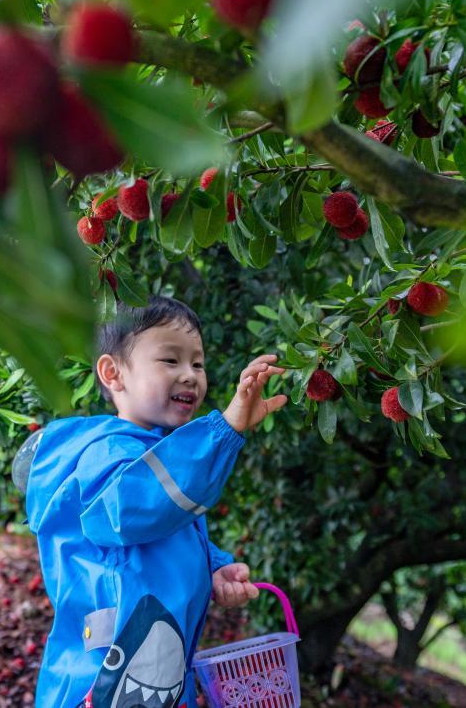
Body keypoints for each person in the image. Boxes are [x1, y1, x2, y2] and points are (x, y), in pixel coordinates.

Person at [22, 295, 288, 708]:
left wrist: (213, 567)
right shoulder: (106, 454)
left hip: (153, 677)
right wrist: (226, 428)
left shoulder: (160, 458)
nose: (190, 376)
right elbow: (135, 510)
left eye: (197, 364)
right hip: (105, 683)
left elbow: (160, 537)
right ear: (113, 373)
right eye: (170, 361)